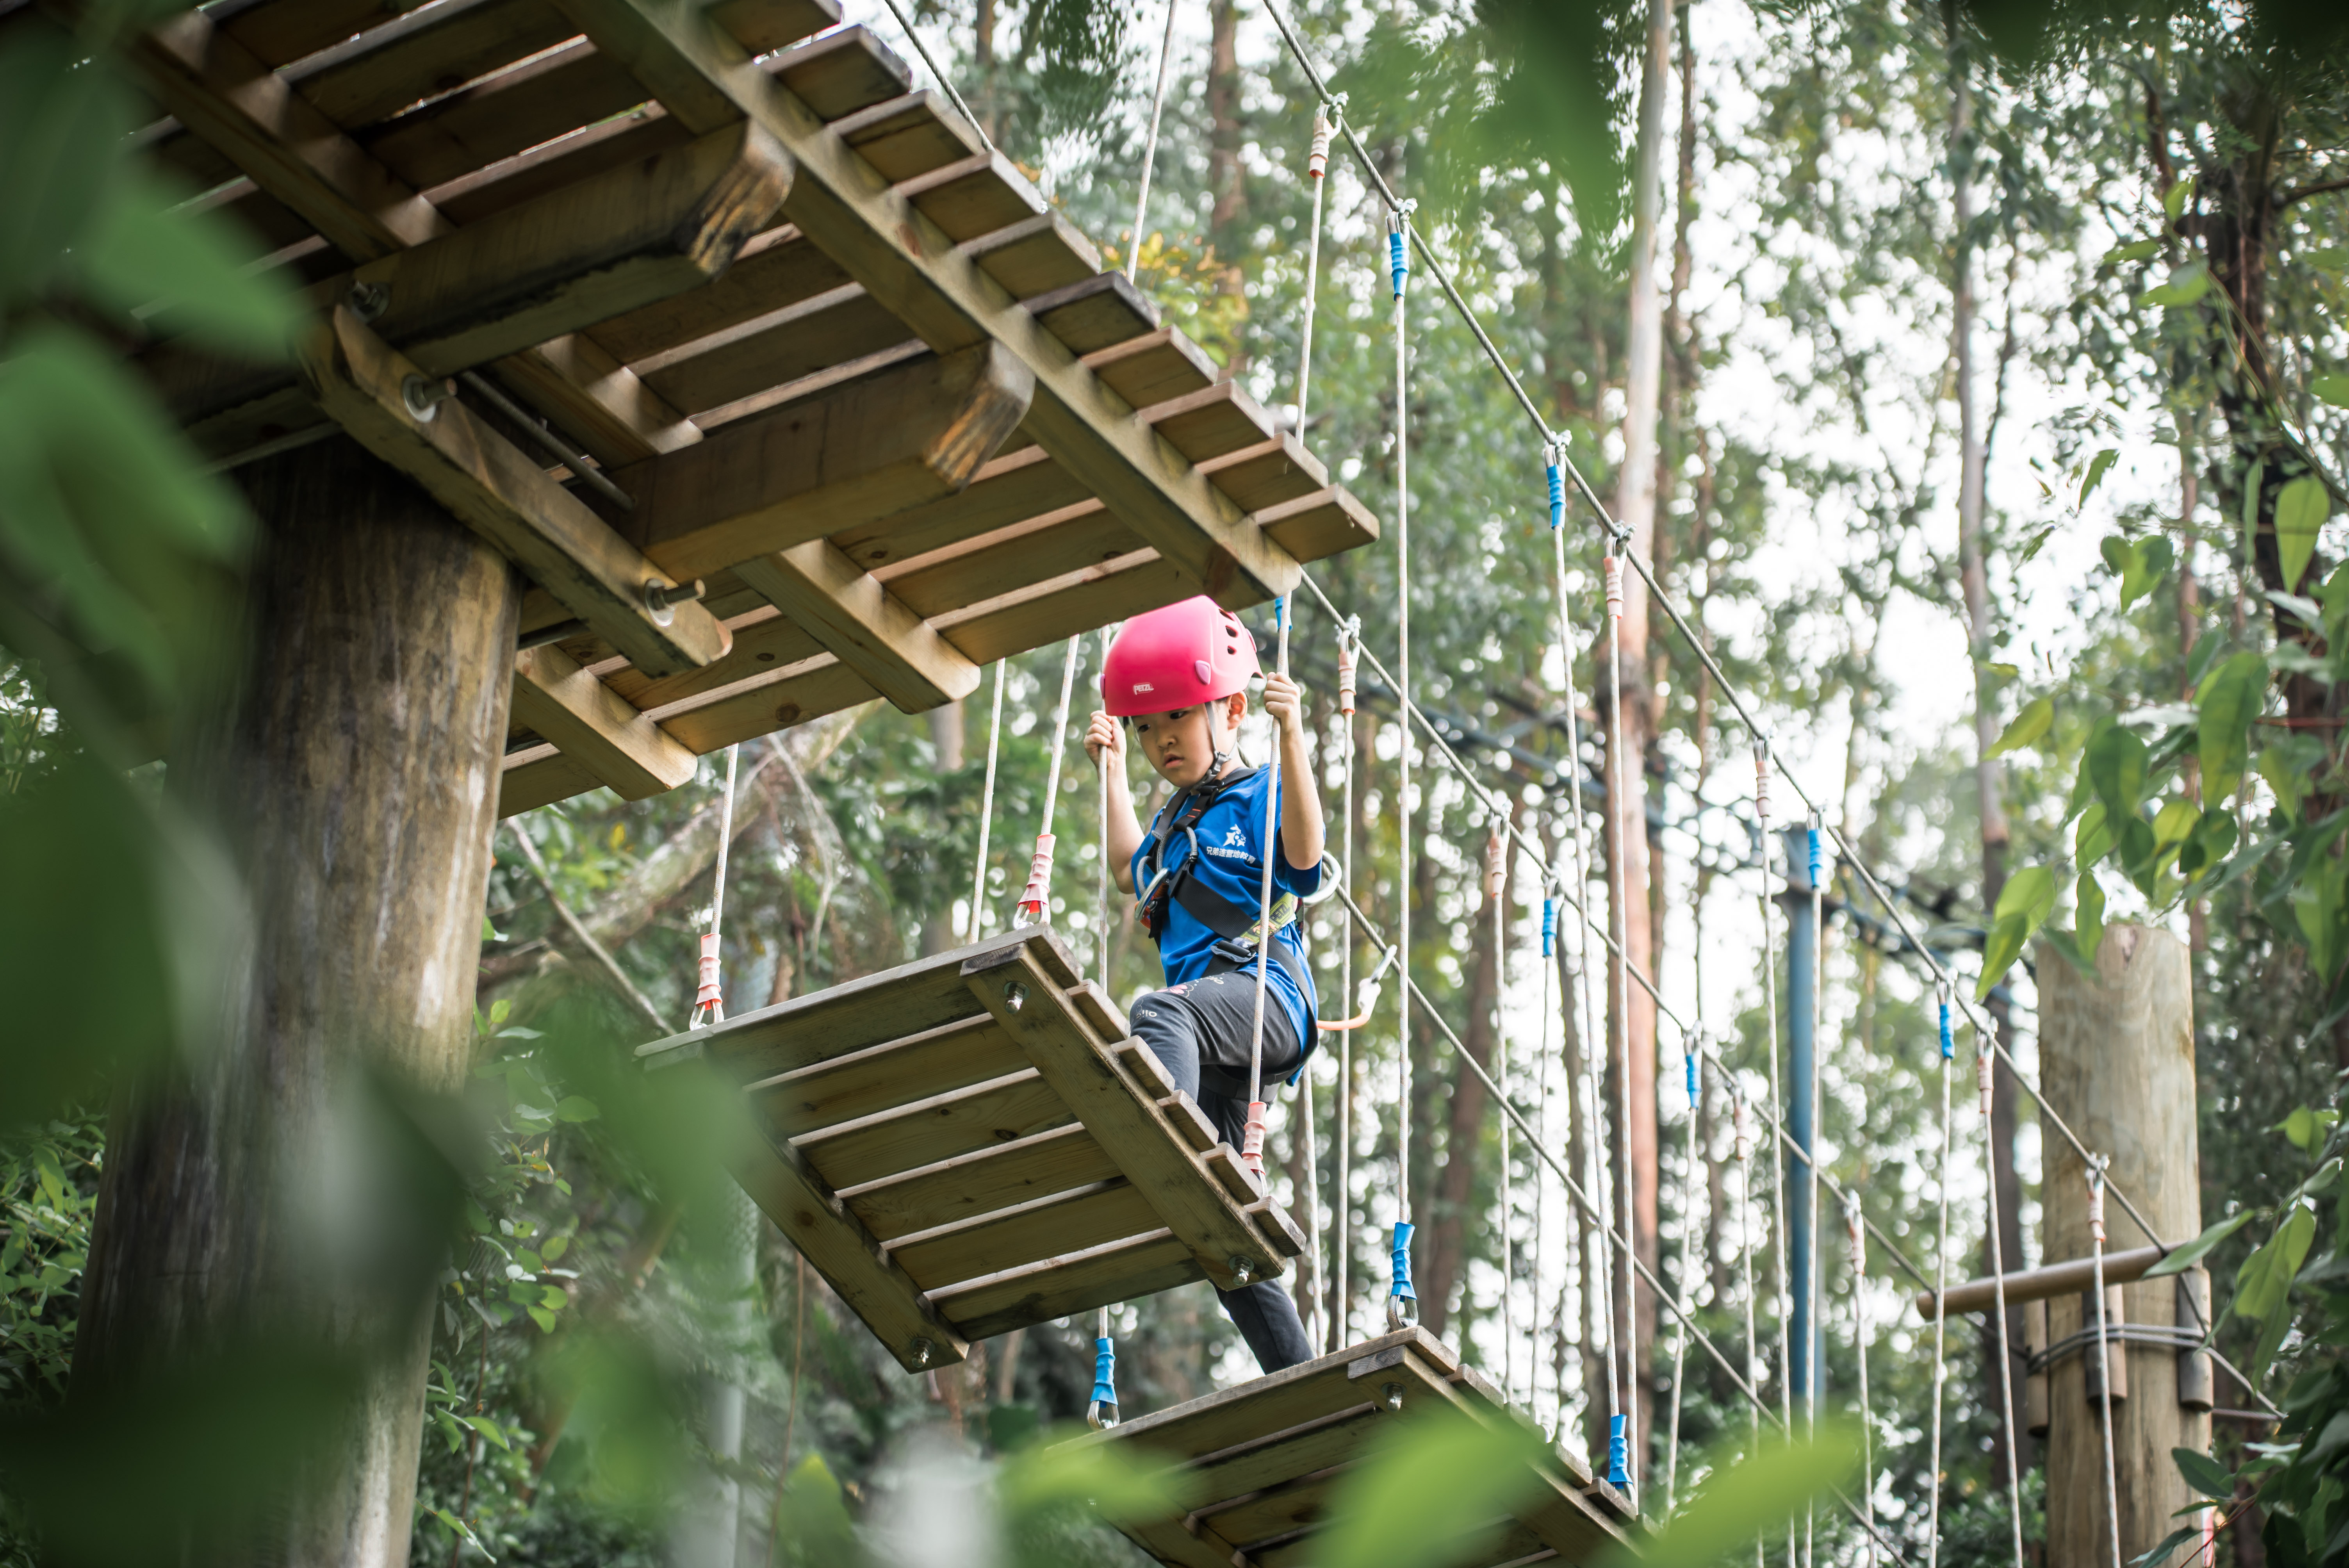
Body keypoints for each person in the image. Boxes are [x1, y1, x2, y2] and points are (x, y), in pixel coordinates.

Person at [1084, 595, 1325, 1373]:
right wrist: (1112, 773)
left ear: (1227, 709)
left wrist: (1292, 738)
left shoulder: (1258, 796)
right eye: (1145, 730)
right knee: (1229, 1240)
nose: (1159, 742)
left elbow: (1305, 859)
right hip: (1211, 1034)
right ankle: (1298, 1374)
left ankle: (1166, 1159)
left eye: (1175, 722)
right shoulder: (1171, 825)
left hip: (1263, 994)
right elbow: (1128, 870)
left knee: (1157, 1013)